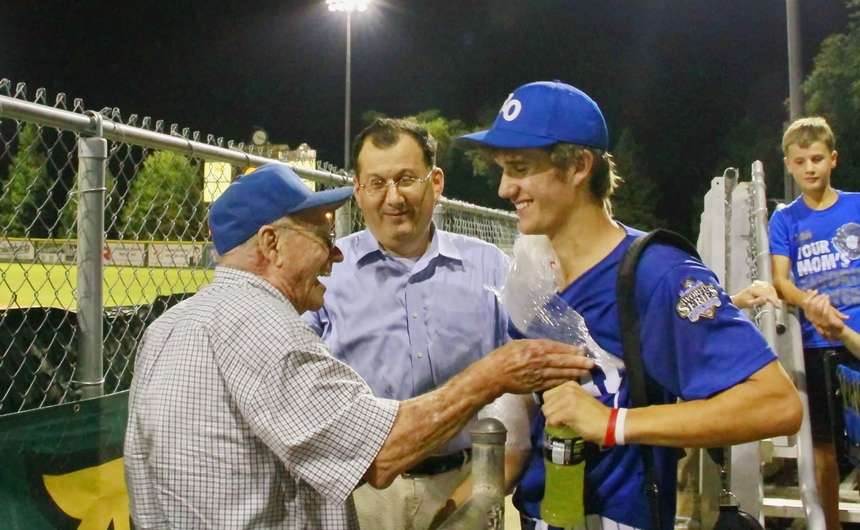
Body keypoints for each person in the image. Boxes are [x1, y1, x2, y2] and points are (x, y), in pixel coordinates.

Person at [123, 163, 593, 529]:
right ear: (271, 244)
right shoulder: (263, 325)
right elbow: (382, 453)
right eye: (322, 237)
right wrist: (493, 374)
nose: (336, 253)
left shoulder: (169, 325)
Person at [454, 80, 802, 529]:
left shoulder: (658, 272)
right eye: (503, 170)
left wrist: (614, 424)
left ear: (579, 166)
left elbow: (777, 403)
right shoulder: (531, 273)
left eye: (520, 168)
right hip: (539, 514)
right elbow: (528, 416)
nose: (505, 188)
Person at [303, 118, 527, 530]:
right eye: (376, 183)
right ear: (357, 190)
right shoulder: (326, 273)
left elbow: (523, 380)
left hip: (464, 480)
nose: (393, 198)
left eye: (406, 179)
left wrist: (491, 479)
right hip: (362, 490)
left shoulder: (491, 267)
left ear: (435, 182)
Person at [769, 116, 860, 529]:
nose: (810, 168)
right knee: (823, 447)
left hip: (857, 340)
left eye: (817, 158)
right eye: (800, 160)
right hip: (817, 345)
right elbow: (781, 281)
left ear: (833, 159)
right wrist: (811, 304)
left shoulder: (855, 206)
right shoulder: (785, 219)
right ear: (788, 165)